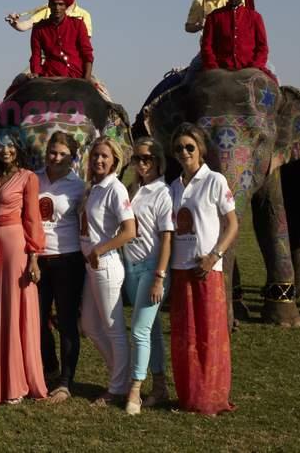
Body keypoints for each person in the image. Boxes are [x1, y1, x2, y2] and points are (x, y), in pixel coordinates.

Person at [168, 122, 239, 415]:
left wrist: (214, 255)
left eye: (189, 147)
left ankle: (211, 399)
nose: (184, 152)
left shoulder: (215, 181)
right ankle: (189, 397)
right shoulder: (173, 187)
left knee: (210, 337)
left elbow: (233, 224)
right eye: (179, 148)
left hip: (207, 268)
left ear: (201, 150)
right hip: (180, 268)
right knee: (185, 336)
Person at [0, 130, 47, 404]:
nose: (5, 150)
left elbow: (33, 220)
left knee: (14, 309)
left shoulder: (28, 177)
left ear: (18, 148)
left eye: (10, 145)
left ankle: (15, 382)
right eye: (1, 146)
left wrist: (34, 257)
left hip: (16, 248)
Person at [80, 137, 136, 406]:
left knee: (114, 330)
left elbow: (129, 230)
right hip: (92, 266)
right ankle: (121, 377)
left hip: (106, 265)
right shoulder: (95, 187)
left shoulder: (116, 189)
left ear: (115, 160)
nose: (99, 160)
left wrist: (99, 250)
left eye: (104, 156)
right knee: (90, 326)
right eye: (95, 156)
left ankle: (116, 389)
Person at [34, 132, 86, 404]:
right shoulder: (35, 178)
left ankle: (65, 381)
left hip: (68, 259)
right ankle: (49, 365)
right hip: (37, 260)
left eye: (62, 154)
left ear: (72, 157)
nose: (55, 158)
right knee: (38, 320)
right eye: (52, 152)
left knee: (66, 322)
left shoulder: (79, 186)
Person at [123, 137, 173, 414]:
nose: (142, 163)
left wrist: (160, 276)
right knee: (151, 330)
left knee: (139, 330)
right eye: (137, 158)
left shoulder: (162, 193)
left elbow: (167, 238)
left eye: (148, 158)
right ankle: (160, 385)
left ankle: (135, 390)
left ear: (158, 161)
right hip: (131, 266)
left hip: (152, 267)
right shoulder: (132, 190)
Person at [200, 0, 273, 80]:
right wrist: (213, 68)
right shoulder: (213, 17)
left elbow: (262, 48)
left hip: (251, 69)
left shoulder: (255, 17)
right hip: (219, 69)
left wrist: (254, 68)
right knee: (190, 84)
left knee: (275, 85)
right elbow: (207, 46)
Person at [28, 0, 94, 80]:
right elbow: (36, 55)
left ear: (66, 6)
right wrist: (35, 73)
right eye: (54, 4)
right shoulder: (38, 28)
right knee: (18, 86)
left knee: (99, 93)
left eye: (61, 4)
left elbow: (87, 53)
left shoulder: (78, 25)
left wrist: (87, 79)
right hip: (49, 75)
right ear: (49, 5)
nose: (57, 8)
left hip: (77, 74)